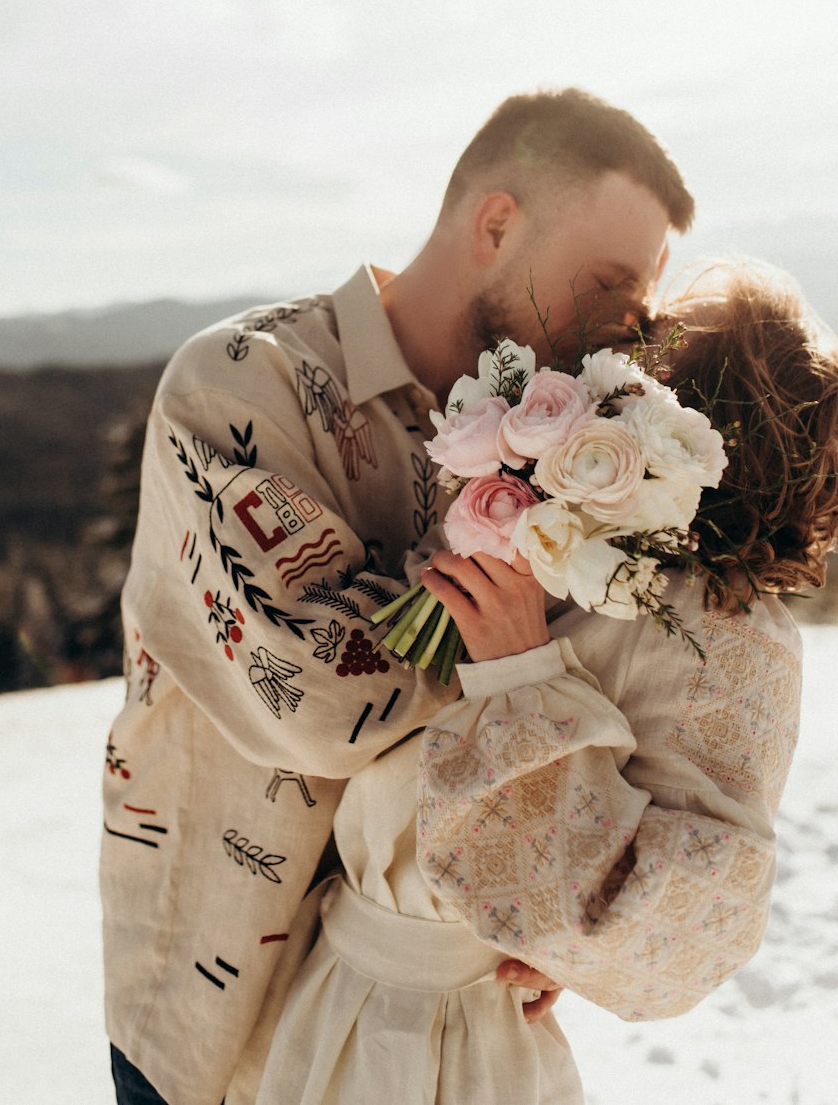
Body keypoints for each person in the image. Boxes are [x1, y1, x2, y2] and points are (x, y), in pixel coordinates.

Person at [101, 88, 695, 1104]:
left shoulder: (567, 443)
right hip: (225, 1007)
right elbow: (325, 702)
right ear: (496, 225)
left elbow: (591, 697)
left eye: (638, 300)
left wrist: (550, 907)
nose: (623, 326)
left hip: (439, 1026)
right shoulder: (242, 383)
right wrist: (511, 593)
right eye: (606, 283)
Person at [250, 261, 838, 1105]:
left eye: (647, 354)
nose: (613, 363)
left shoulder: (733, 634)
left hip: (452, 1043)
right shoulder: (550, 533)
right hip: (328, 991)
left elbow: (692, 905)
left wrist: (521, 675)